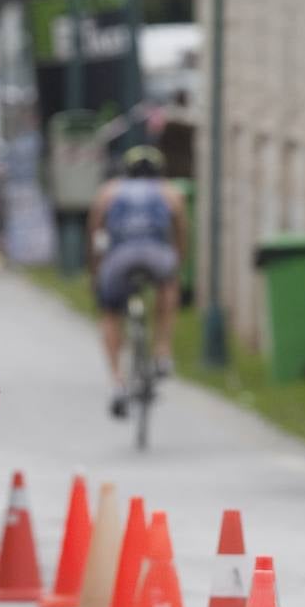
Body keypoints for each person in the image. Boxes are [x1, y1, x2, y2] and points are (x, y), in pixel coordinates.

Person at [86, 145, 187, 417]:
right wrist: (178, 261)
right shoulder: (169, 191)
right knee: (168, 284)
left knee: (109, 312)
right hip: (156, 255)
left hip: (119, 258)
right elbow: (179, 235)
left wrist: (96, 272)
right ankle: (163, 351)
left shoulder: (109, 190)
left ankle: (118, 381)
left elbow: (96, 235)